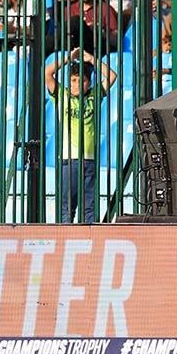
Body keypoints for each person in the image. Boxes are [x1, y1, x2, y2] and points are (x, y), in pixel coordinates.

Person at [44, 49, 115, 223]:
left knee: (89, 208)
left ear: (88, 83)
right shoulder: (62, 94)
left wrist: (92, 59)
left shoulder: (94, 95)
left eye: (80, 81)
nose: (76, 85)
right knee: (67, 208)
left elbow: (112, 76)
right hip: (70, 159)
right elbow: (47, 73)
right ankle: (66, 240)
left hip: (90, 160)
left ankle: (88, 243)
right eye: (73, 81)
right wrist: (68, 59)